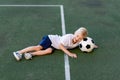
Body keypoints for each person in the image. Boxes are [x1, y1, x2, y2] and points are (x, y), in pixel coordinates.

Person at [13, 27, 88, 61]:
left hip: (53, 46)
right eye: (77, 36)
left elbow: (87, 41)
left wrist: (93, 46)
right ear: (75, 33)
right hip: (51, 39)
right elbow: (60, 46)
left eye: (80, 38)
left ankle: (30, 54)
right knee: (38, 47)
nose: (78, 38)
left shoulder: (79, 42)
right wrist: (70, 54)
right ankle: (19, 52)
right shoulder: (68, 37)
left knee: (49, 51)